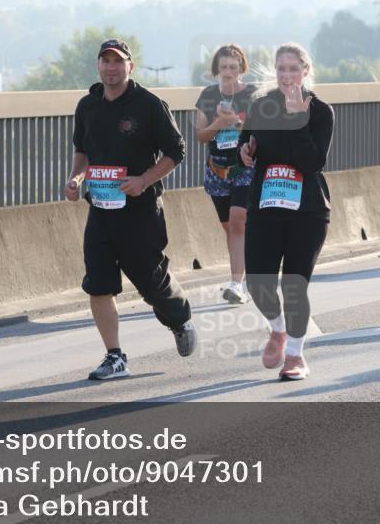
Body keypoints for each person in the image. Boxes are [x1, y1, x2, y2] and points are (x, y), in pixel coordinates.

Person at [64, 39, 197, 380]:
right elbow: (82, 151)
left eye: (118, 61)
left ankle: (179, 318)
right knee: (98, 284)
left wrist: (144, 180)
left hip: (140, 212)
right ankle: (114, 356)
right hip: (101, 210)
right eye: (105, 61)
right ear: (98, 66)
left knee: (152, 284)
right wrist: (76, 180)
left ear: (130, 66)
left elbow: (176, 151)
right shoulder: (87, 106)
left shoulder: (149, 105)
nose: (111, 67)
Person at [238, 43, 334, 381]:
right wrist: (245, 152)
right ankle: (278, 329)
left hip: (307, 210)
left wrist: (297, 117)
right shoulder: (261, 106)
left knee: (294, 285)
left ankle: (295, 355)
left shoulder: (321, 111)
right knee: (259, 284)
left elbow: (312, 162)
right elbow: (247, 142)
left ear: (306, 71)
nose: (287, 75)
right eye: (281, 69)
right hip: (266, 206)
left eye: (294, 69)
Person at [194, 44, 258, 304]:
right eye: (224, 67)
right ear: (216, 70)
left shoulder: (253, 94)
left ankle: (236, 284)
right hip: (217, 169)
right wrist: (219, 123)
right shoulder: (208, 96)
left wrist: (236, 122)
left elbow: (260, 130)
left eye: (233, 67)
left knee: (237, 221)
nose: (229, 72)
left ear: (241, 68)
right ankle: (247, 271)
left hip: (245, 166)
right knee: (230, 227)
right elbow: (199, 136)